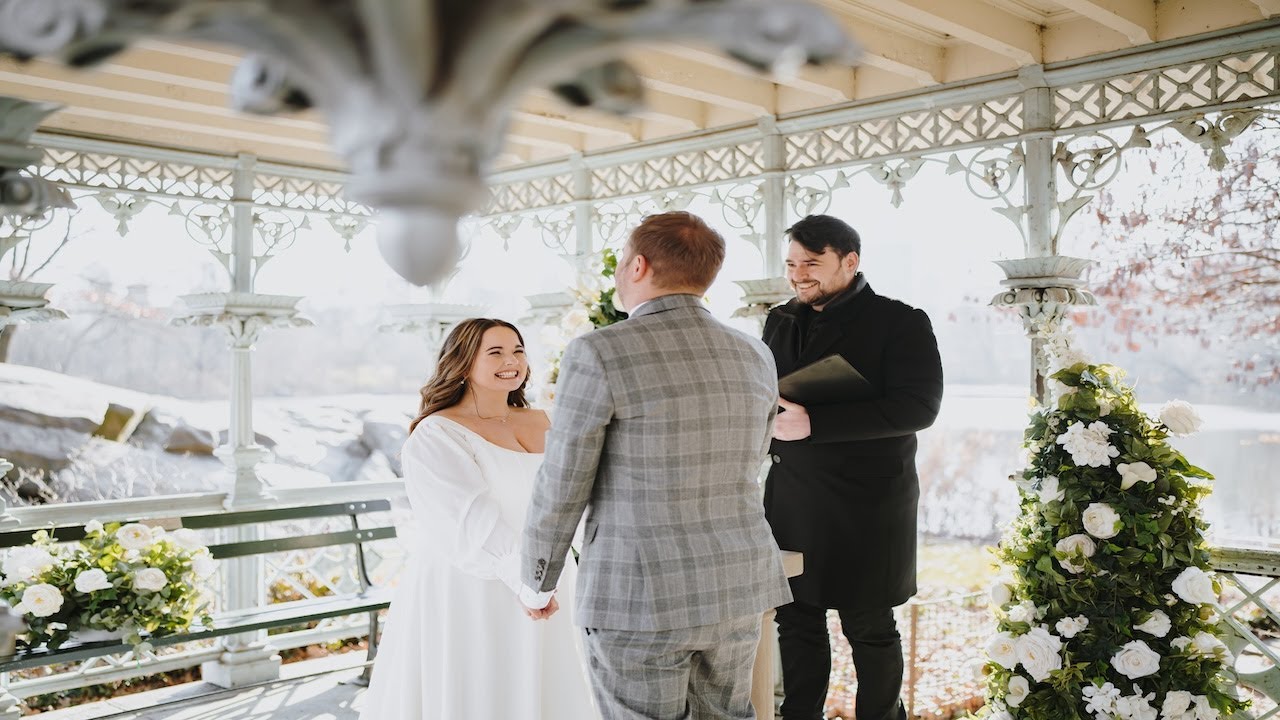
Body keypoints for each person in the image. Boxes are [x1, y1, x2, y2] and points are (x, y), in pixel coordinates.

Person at [521, 211, 793, 720]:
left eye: (623, 262)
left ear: (639, 265)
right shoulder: (754, 353)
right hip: (736, 584)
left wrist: (538, 576)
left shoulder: (599, 351)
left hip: (637, 593)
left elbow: (564, 479)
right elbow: (753, 458)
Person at [358, 318, 595, 720]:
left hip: (548, 573)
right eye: (496, 352)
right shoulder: (436, 433)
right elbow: (468, 516)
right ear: (464, 363)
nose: (512, 360)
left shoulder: (546, 420)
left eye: (518, 350)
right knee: (483, 684)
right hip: (474, 578)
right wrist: (528, 582)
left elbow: (578, 491)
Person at [762, 215, 943, 720]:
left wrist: (815, 423)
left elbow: (919, 408)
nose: (799, 275)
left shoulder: (901, 320)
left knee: (868, 625)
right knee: (795, 621)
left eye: (812, 264)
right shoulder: (778, 319)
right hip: (792, 494)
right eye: (792, 265)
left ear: (850, 261)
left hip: (868, 503)